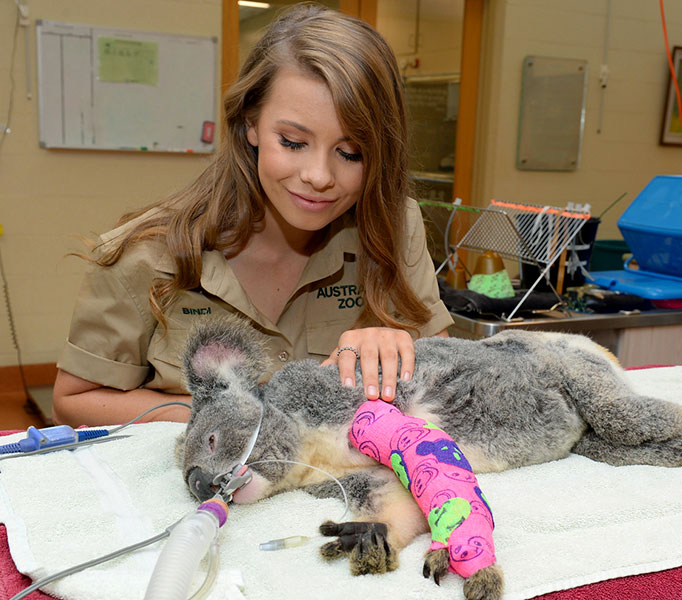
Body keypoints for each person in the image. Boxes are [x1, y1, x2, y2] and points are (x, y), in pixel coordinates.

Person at [52, 2, 453, 427]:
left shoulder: (394, 226)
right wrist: (227, 416)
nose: (318, 176)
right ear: (251, 124)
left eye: (350, 153)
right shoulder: (145, 254)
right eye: (293, 142)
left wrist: (396, 343)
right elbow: (74, 401)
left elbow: (451, 381)